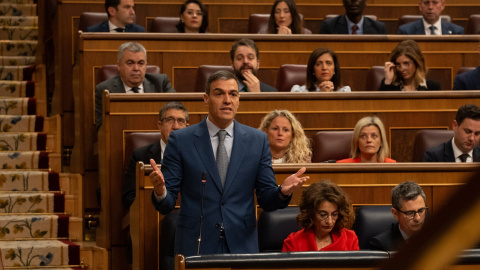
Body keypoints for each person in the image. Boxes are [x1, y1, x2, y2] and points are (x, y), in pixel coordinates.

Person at [149, 70, 309, 257]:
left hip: (242, 244)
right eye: (219, 93)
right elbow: (167, 205)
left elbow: (267, 200)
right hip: (197, 244)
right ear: (206, 98)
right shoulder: (181, 140)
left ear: (238, 100)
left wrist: (282, 192)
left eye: (233, 94)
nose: (227, 100)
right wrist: (161, 192)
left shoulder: (257, 140)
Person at [122, 102, 189, 209]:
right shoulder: (141, 156)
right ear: (160, 125)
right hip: (154, 216)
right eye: (169, 120)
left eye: (181, 121)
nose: (176, 126)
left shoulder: (198, 153)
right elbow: (129, 198)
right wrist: (158, 196)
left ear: (187, 127)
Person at [95, 42, 175, 129]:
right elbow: (102, 127)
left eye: (141, 63)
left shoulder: (160, 83)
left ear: (146, 65)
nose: (136, 68)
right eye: (130, 63)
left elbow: (176, 112)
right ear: (119, 66)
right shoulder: (105, 89)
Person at [282, 180, 359, 251]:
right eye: (323, 215)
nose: (329, 221)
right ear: (311, 213)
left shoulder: (350, 238)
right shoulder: (294, 241)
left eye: (334, 214)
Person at [369, 181, 428, 251]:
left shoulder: (437, 237)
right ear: (395, 214)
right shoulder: (381, 245)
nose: (417, 218)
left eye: (421, 211)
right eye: (410, 213)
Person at [319, 0, 387, 34]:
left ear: (365, 2)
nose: (354, 1)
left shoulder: (379, 28)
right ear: (343, 2)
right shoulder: (329, 26)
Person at [397, 0, 464, 35]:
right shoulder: (406, 32)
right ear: (420, 5)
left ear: (443, 5)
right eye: (426, 2)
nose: (430, 7)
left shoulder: (457, 31)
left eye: (435, 2)